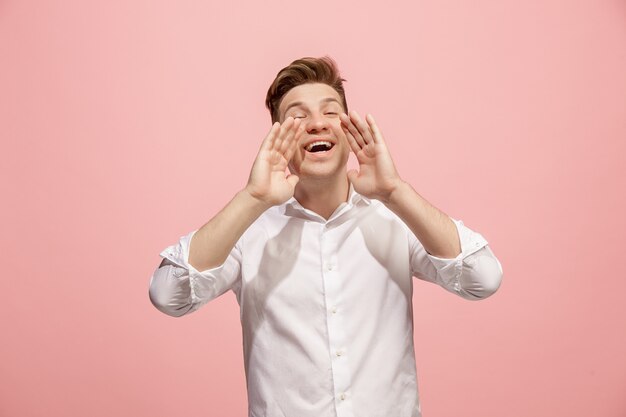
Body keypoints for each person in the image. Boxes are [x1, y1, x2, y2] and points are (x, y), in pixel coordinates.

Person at [148, 56, 503, 417]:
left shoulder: (394, 217)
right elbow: (168, 295)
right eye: (297, 117)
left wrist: (395, 191)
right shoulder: (249, 230)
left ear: (348, 130)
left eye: (331, 112)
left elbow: (483, 279)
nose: (317, 124)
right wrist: (252, 199)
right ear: (278, 138)